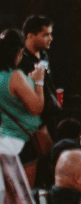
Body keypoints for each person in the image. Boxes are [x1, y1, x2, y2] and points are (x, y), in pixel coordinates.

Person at [0, 28, 46, 187]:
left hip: (4, 140)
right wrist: (39, 81)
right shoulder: (15, 76)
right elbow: (36, 108)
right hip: (22, 141)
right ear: (18, 52)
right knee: (24, 193)